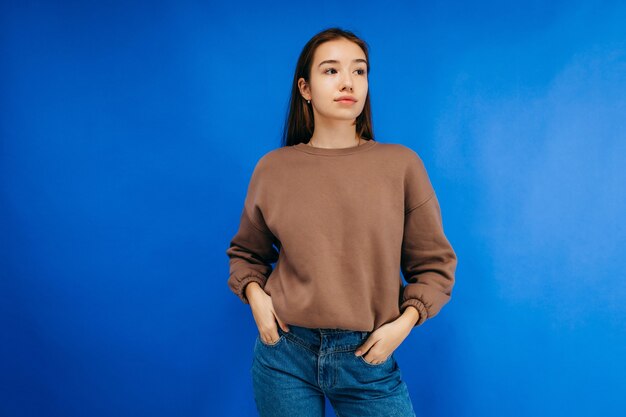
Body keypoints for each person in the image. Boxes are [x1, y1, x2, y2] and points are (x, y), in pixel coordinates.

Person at [226, 27, 457, 417]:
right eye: (331, 71)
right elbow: (246, 253)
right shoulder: (273, 169)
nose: (348, 82)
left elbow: (434, 266)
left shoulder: (400, 165)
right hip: (284, 353)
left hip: (368, 357)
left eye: (359, 71)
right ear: (305, 88)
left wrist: (401, 327)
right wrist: (257, 301)